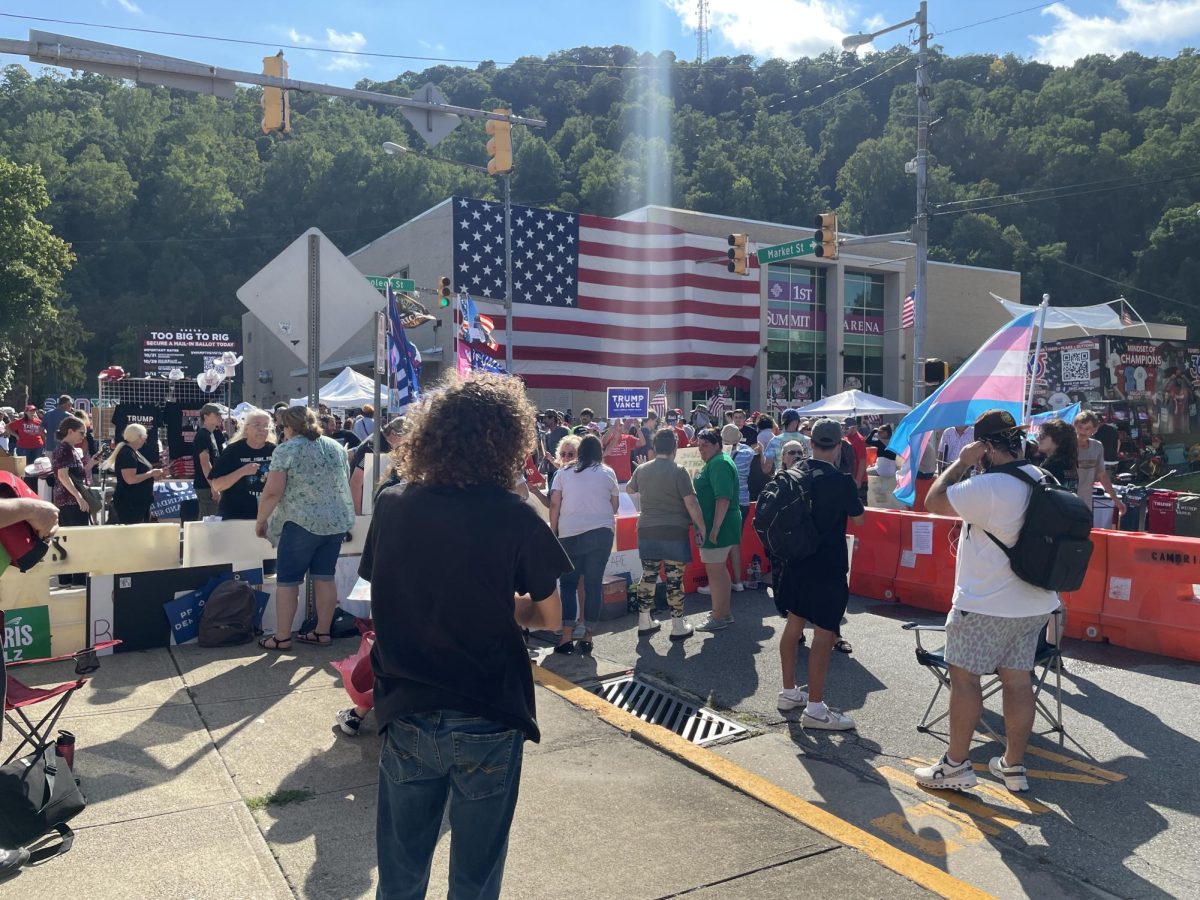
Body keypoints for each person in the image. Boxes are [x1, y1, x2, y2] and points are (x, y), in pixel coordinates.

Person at [362, 374, 568, 899]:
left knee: (400, 875)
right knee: (475, 879)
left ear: (432, 433)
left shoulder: (392, 502)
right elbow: (550, 617)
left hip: (407, 702)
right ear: (509, 440)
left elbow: (379, 586)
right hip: (488, 707)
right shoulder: (513, 516)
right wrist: (506, 610)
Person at [916, 409, 1063, 792]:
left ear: (985, 446)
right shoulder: (1043, 477)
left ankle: (955, 766)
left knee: (964, 679)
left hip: (984, 603)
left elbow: (933, 501)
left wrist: (960, 464)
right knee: (1018, 681)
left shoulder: (989, 486)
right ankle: (1013, 767)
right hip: (1035, 603)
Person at [775, 420, 865, 730]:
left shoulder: (794, 472)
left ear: (811, 443)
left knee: (794, 624)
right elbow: (859, 519)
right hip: (828, 566)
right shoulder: (840, 482)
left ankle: (789, 692)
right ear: (839, 446)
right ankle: (814, 708)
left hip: (795, 561)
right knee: (824, 634)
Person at [255, 407, 356, 650]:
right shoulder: (334, 447)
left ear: (288, 427)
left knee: (288, 581)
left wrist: (261, 520)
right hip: (334, 523)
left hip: (300, 522)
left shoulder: (287, 449)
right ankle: (322, 632)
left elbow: (272, 492)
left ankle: (281, 637)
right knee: (325, 577)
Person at [626, 429, 707, 640]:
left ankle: (644, 621)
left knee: (649, 574)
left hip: (647, 528)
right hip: (674, 530)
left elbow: (629, 489)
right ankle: (678, 625)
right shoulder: (679, 471)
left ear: (654, 447)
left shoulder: (642, 469)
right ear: (674, 448)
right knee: (674, 578)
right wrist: (702, 527)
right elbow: (691, 502)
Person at [549, 434, 618, 654]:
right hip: (601, 533)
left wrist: (553, 530)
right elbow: (614, 506)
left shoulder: (563, 473)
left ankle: (566, 638)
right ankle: (588, 636)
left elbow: (554, 505)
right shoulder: (608, 472)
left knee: (568, 584)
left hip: (570, 533)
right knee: (593, 584)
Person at [693, 428, 742, 631]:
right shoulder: (717, 462)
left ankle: (718, 616)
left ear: (717, 445)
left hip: (718, 526)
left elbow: (723, 497)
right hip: (719, 525)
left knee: (715, 572)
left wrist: (714, 528)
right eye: (699, 445)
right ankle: (723, 612)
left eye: (705, 445)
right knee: (719, 571)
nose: (701, 449)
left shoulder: (719, 463)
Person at [207, 409, 275, 521]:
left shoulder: (275, 451)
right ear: (246, 428)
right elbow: (217, 485)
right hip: (234, 515)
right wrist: (242, 471)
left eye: (266, 425)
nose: (262, 429)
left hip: (266, 516)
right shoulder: (233, 451)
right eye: (257, 425)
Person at [51, 416, 92, 585]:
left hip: (70, 500)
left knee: (72, 539)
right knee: (75, 539)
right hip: (69, 501)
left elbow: (75, 474)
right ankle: (74, 578)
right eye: (82, 432)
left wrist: (93, 462)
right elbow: (63, 475)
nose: (84, 436)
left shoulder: (71, 449)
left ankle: (72, 578)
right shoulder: (64, 449)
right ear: (71, 431)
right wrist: (78, 496)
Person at [104, 423, 165, 524]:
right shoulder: (127, 453)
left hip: (138, 504)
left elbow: (138, 475)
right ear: (140, 437)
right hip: (130, 506)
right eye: (145, 436)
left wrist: (153, 476)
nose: (146, 439)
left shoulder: (132, 451)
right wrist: (151, 474)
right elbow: (130, 479)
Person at [1073, 410, 1125, 522]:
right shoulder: (1067, 445)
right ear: (1075, 426)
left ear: (1094, 430)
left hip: (1085, 503)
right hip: (1066, 501)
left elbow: (1102, 475)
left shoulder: (1097, 447)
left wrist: (1115, 499)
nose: (1083, 431)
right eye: (1080, 427)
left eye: (1087, 428)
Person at [349, 418, 407, 514]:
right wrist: (358, 514)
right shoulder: (372, 448)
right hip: (366, 505)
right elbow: (356, 482)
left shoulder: (383, 441)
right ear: (393, 434)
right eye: (405, 439)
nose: (405, 444)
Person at [192, 403, 227, 518]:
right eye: (216, 414)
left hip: (211, 485)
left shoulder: (211, 434)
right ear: (206, 416)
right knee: (207, 522)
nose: (220, 417)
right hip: (206, 486)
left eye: (220, 414)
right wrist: (213, 486)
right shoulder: (203, 435)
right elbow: (205, 463)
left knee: (213, 520)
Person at [763, 408, 808, 475]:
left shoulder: (774, 441)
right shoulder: (808, 440)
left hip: (782, 478)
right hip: (802, 478)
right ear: (797, 422)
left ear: (783, 422)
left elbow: (767, 468)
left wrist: (761, 453)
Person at [1036, 419, 1078, 485]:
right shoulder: (1070, 464)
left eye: (1042, 435)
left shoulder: (1050, 466)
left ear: (1057, 439)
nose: (1037, 438)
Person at [601, 417, 640, 483]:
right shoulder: (607, 437)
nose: (621, 427)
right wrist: (612, 428)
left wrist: (638, 428)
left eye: (621, 425)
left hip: (625, 478)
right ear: (612, 426)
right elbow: (604, 442)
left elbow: (642, 442)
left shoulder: (627, 437)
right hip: (610, 477)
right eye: (619, 425)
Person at [843, 418, 868, 500]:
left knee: (861, 507)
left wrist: (858, 479)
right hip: (851, 478)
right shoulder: (847, 438)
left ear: (854, 427)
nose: (844, 430)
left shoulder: (859, 440)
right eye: (843, 427)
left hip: (858, 479)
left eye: (846, 428)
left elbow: (862, 461)